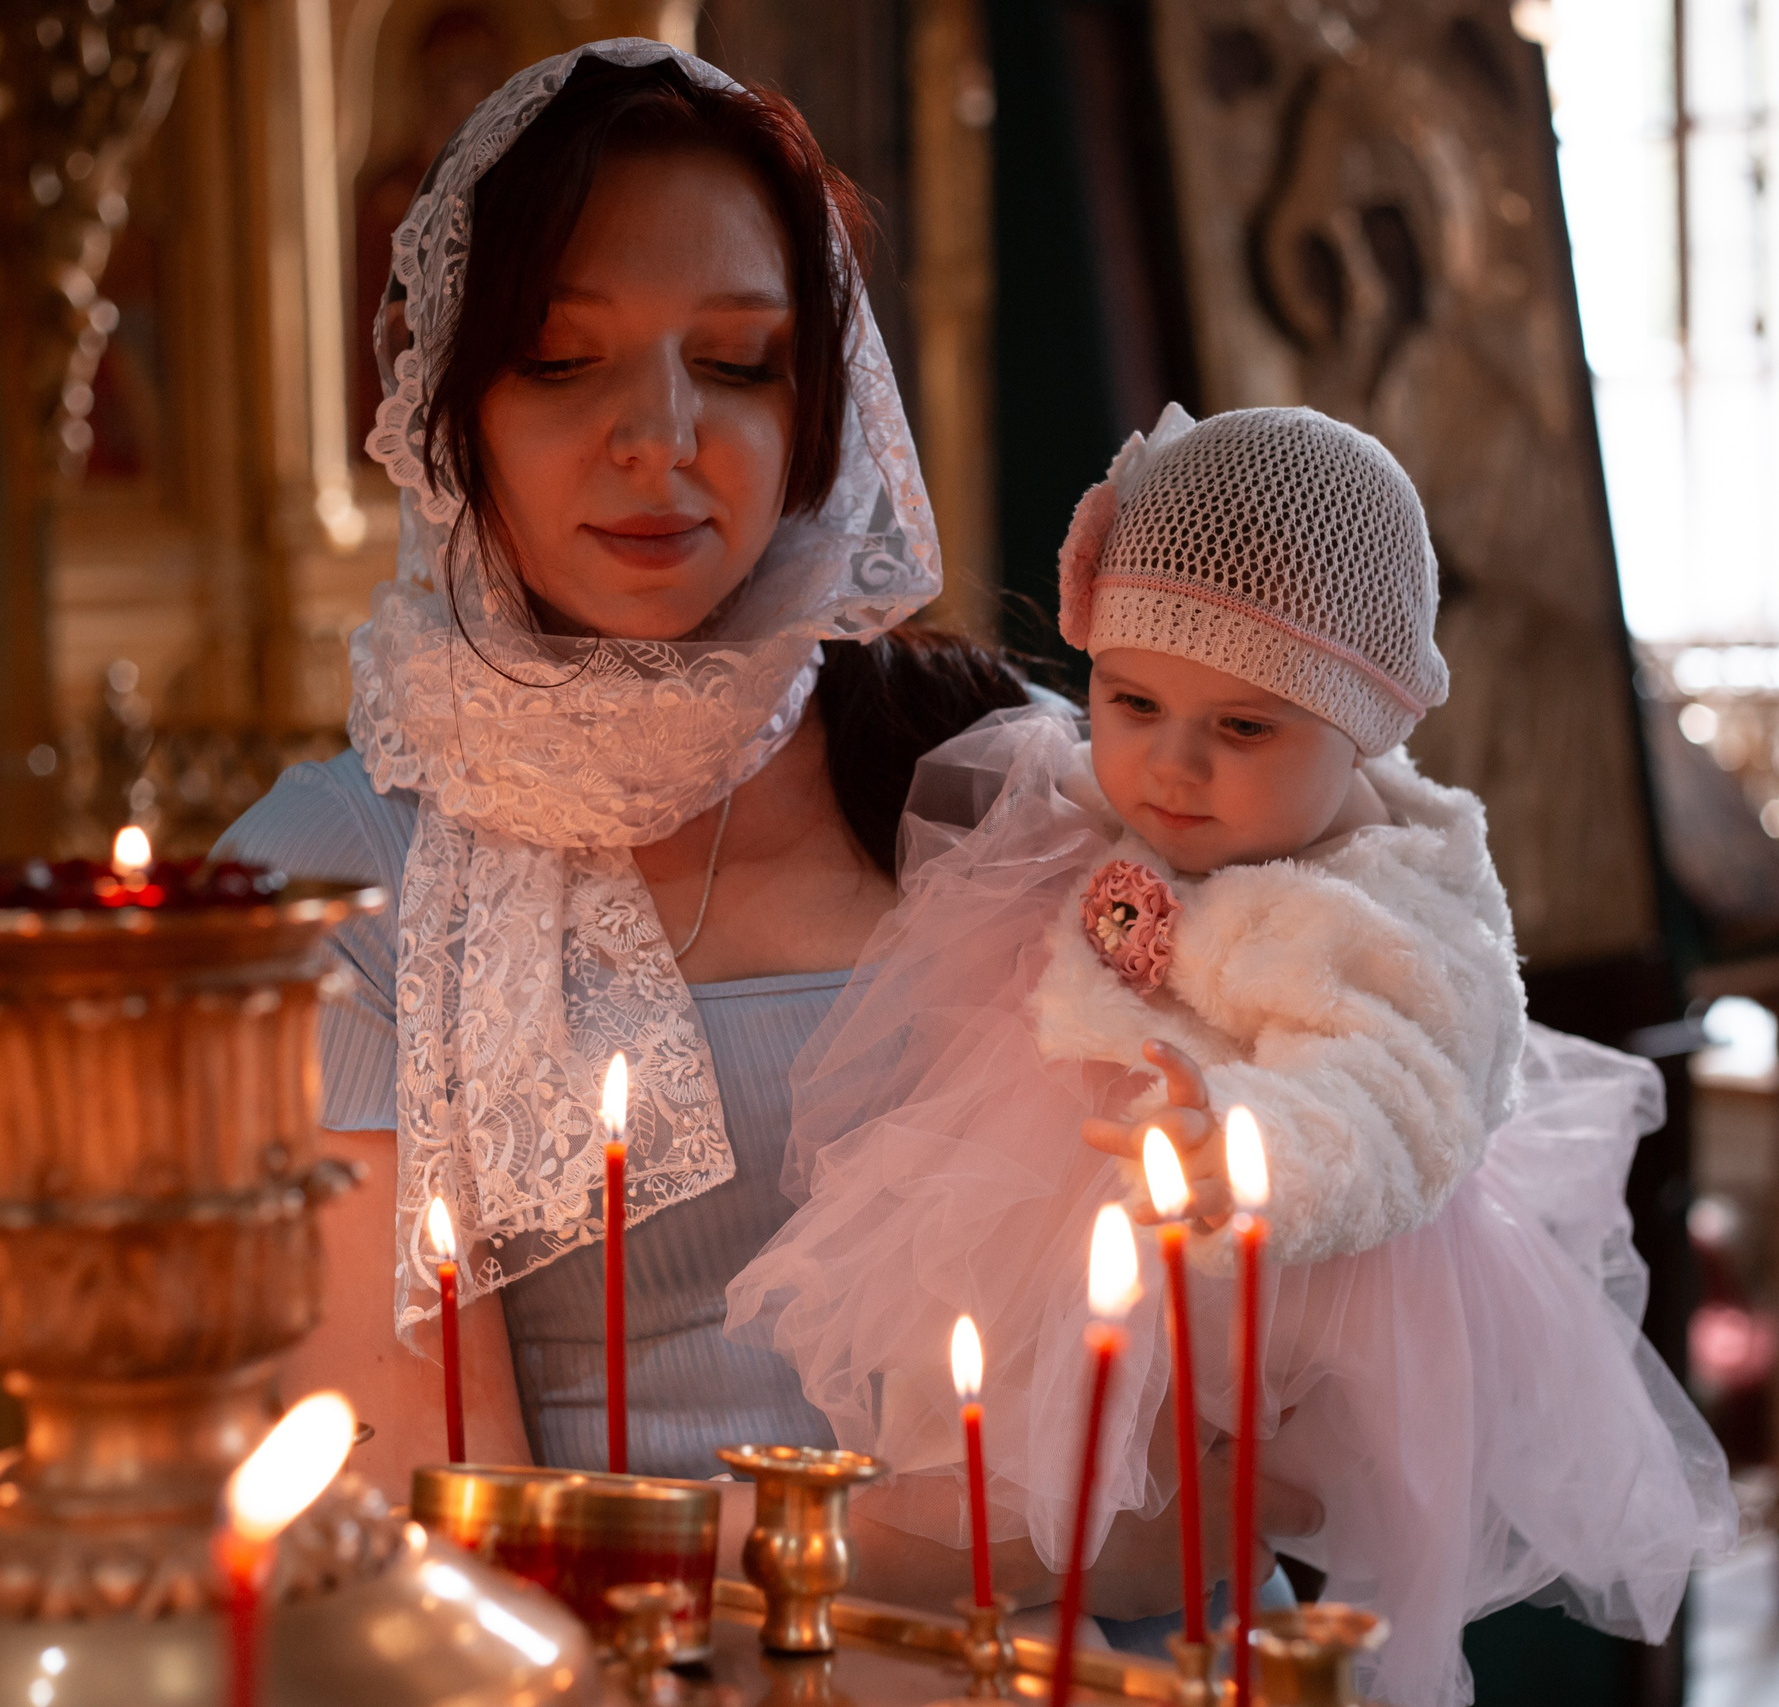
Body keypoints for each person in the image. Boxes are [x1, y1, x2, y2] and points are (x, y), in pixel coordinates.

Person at [214, 40, 1298, 1625]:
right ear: (445, 410)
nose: (660, 438)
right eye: (560, 361)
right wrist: (823, 1567)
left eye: (736, 363)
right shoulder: (339, 880)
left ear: (825, 404)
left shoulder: (1008, 774)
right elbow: (423, 1531)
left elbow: (1207, 1463)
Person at [727, 404, 1738, 1706]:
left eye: (1246, 729)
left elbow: (1402, 1095)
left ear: (1363, 726)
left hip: (1266, 1264)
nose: (1173, 763)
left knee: (1181, 1558)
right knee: (1001, 1481)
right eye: (1131, 701)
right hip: (1066, 1208)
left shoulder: (1380, 905)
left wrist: (1249, 1151)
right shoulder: (1099, 791)